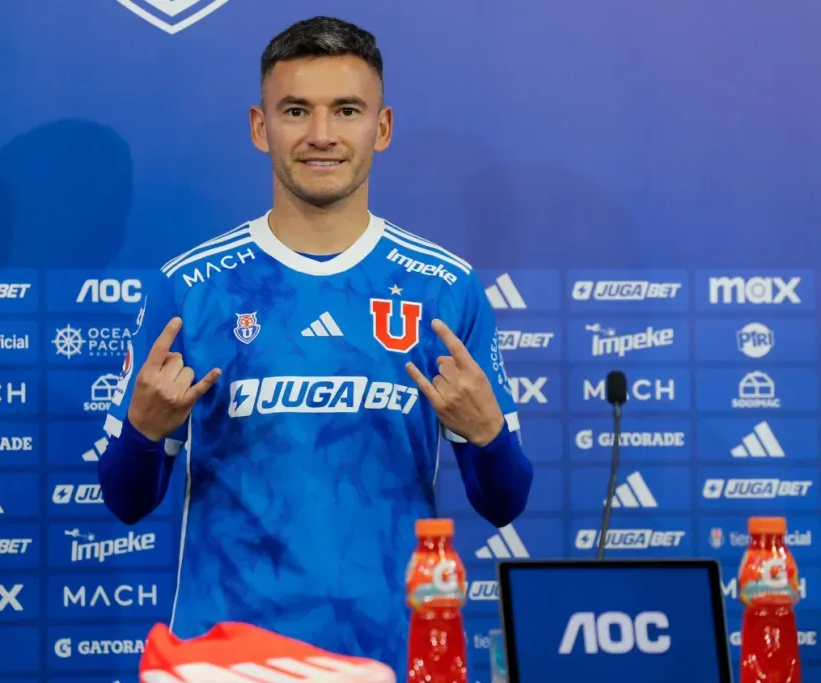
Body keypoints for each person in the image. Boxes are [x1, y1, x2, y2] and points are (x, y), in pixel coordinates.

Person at [98, 15, 534, 677]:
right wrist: (142, 432)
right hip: (226, 661)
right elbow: (125, 500)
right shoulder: (190, 288)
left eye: (347, 110)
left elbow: (504, 501)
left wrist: (488, 434)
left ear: (381, 128)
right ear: (259, 125)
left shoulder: (445, 288)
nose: (322, 135)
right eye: (296, 110)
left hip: (392, 654)